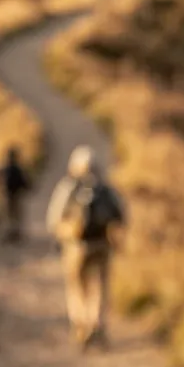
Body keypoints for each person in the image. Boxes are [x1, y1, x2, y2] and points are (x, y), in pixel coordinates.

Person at [47, 146, 126, 349]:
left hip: (75, 246)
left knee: (76, 286)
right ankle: (97, 323)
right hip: (102, 244)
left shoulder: (69, 187)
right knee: (100, 285)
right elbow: (121, 214)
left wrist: (63, 234)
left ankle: (81, 324)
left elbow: (54, 219)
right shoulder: (105, 189)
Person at [0, 146, 31, 244]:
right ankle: (15, 234)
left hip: (8, 196)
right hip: (15, 196)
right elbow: (25, 182)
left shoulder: (6, 169)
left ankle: (10, 234)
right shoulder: (17, 169)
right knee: (15, 216)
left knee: (8, 216)